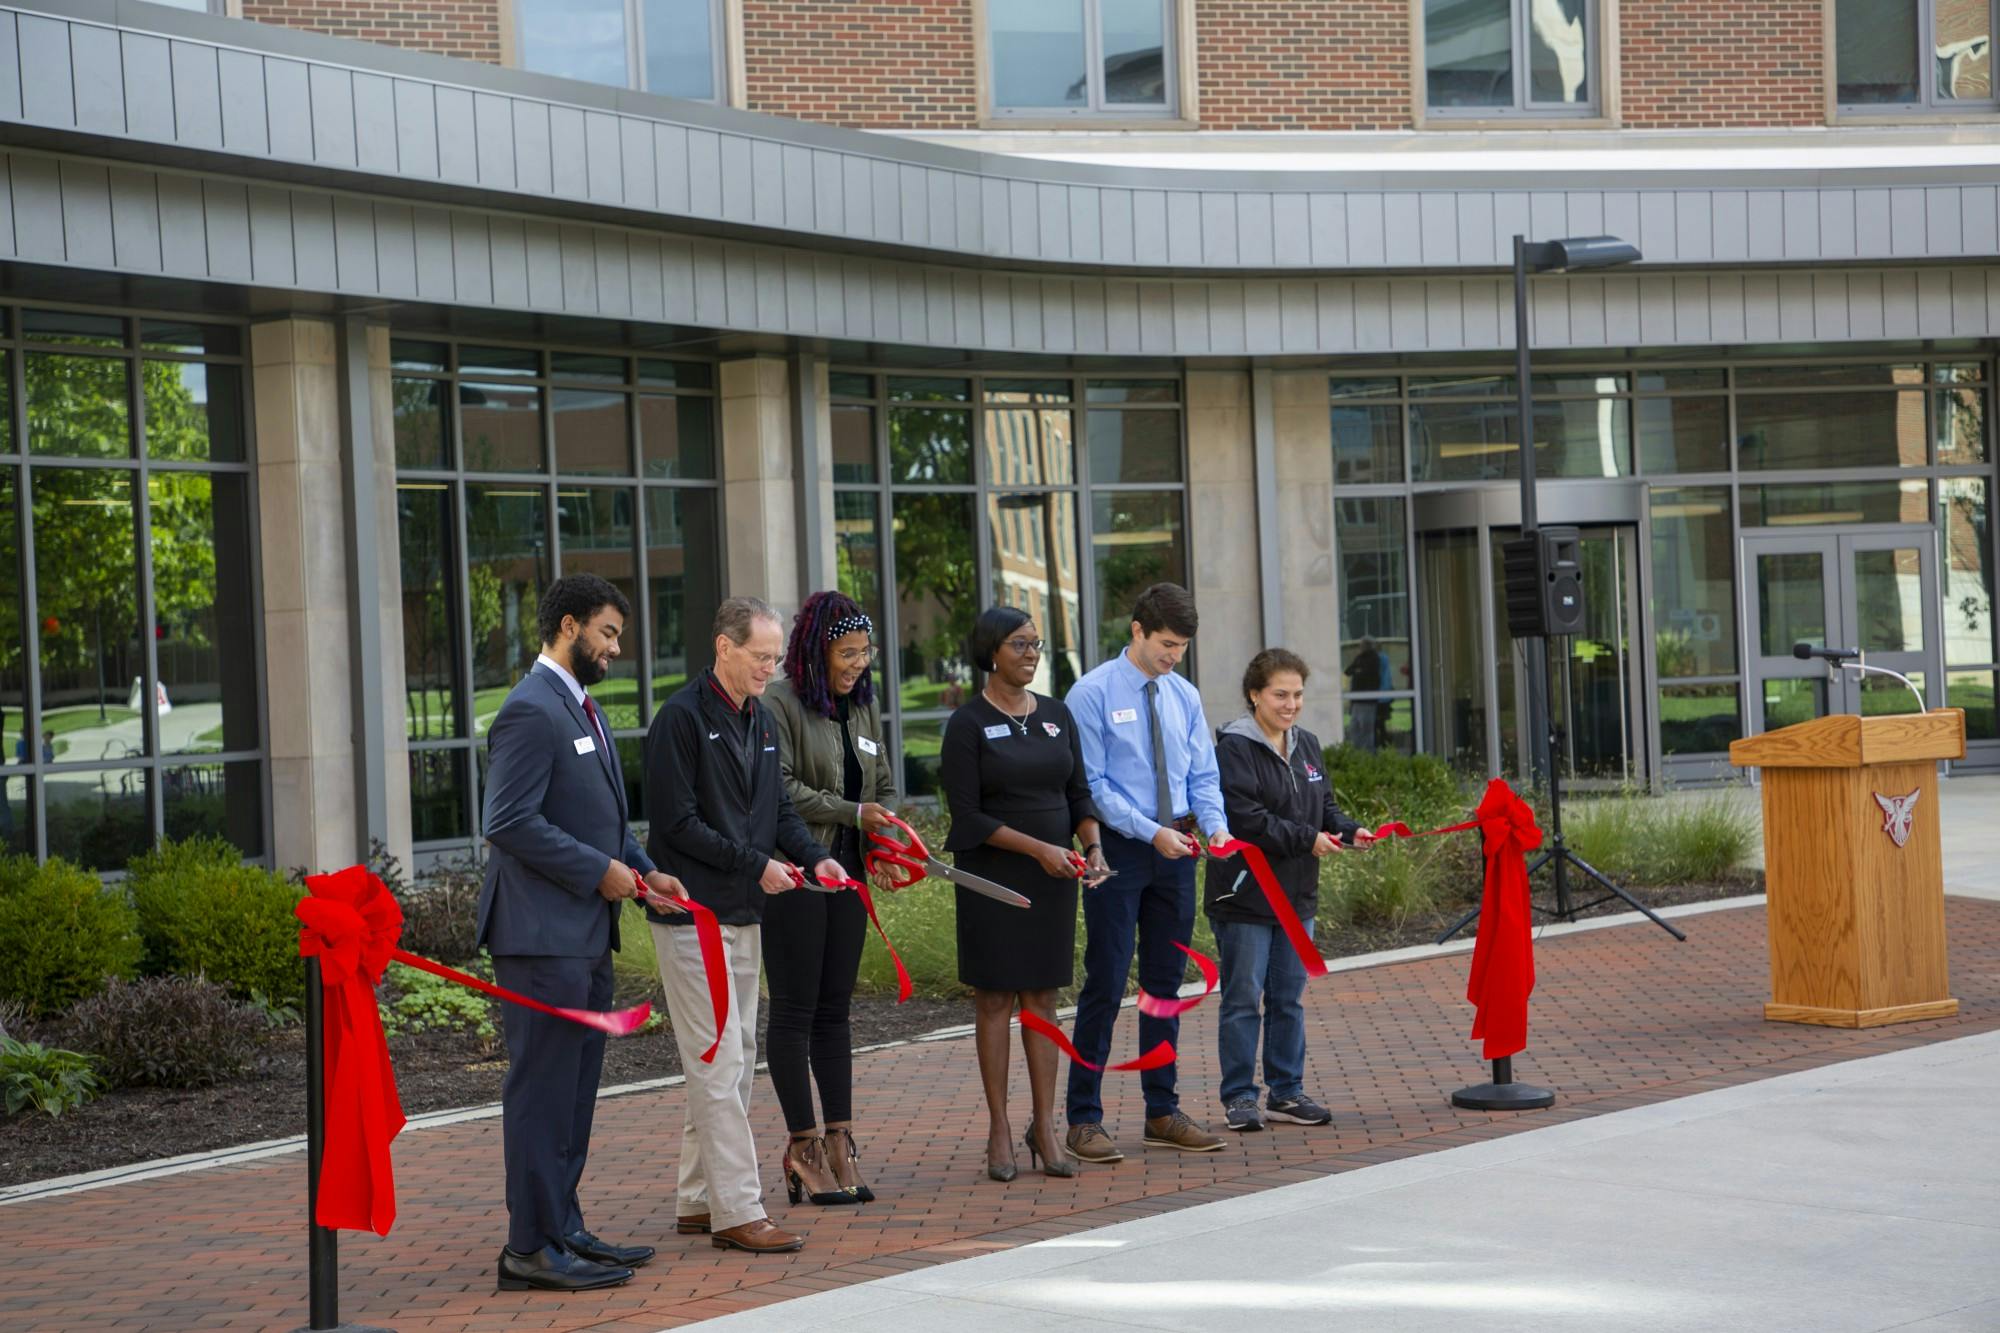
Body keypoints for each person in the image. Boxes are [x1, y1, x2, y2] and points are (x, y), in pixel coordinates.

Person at [477, 573, 689, 1294]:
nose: (616, 648)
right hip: (540, 937)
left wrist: (643, 869)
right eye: (607, 633)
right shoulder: (530, 709)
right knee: (542, 1091)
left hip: (583, 932)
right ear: (567, 625)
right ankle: (529, 1246)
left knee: (573, 1092)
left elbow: (594, 817)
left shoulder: (579, 707)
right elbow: (507, 820)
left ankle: (562, 1227)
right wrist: (599, 871)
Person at [644, 596, 846, 1256]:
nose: (771, 667)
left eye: (776, 656)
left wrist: (816, 856)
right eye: (761, 656)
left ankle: (698, 1198)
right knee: (718, 1060)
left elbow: (779, 809)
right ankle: (737, 1208)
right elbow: (676, 824)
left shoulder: (759, 718)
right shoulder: (678, 719)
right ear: (723, 647)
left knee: (731, 1059)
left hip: (744, 913)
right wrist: (757, 863)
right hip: (693, 916)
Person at [1062, 582, 1231, 1162]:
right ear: (1136, 630)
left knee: (1164, 986)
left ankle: (1162, 1110)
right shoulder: (1091, 693)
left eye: (1181, 646)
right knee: (1106, 981)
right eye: (1165, 643)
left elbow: (1202, 775)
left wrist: (1215, 827)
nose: (1173, 655)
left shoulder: (1184, 694)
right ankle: (1083, 1119)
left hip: (1177, 849)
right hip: (1118, 850)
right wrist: (1149, 832)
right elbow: (1093, 785)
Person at [941, 607, 1106, 1182]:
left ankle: (1044, 1126)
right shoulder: (966, 723)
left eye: (1036, 643)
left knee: (1043, 999)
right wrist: (1038, 848)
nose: (1032, 653)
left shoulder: (1057, 715)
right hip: (994, 878)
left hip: (1055, 877)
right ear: (991, 652)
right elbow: (966, 816)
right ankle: (1000, 1130)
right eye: (1020, 644)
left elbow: (1079, 794)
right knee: (994, 1001)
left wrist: (1093, 846)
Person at [763, 591, 898, 1206]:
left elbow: (885, 784)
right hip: (795, 872)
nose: (858, 665)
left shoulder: (863, 707)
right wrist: (853, 811)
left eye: (865, 653)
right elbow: (780, 791)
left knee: (834, 1009)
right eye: (847, 653)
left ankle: (841, 1140)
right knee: (794, 1010)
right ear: (816, 652)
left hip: (850, 875)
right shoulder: (780, 704)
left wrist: (885, 836)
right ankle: (803, 1146)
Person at [1207, 648, 1374, 1134]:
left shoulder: (1308, 745)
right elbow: (1246, 820)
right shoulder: (1233, 749)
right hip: (1245, 897)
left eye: (1298, 694)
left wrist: (1348, 831)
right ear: (1255, 695)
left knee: (1288, 999)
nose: (1291, 704)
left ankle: (1285, 1092)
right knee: (1243, 999)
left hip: (1296, 896)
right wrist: (1309, 839)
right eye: (1280, 694)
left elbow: (1325, 808)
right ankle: (1239, 1097)